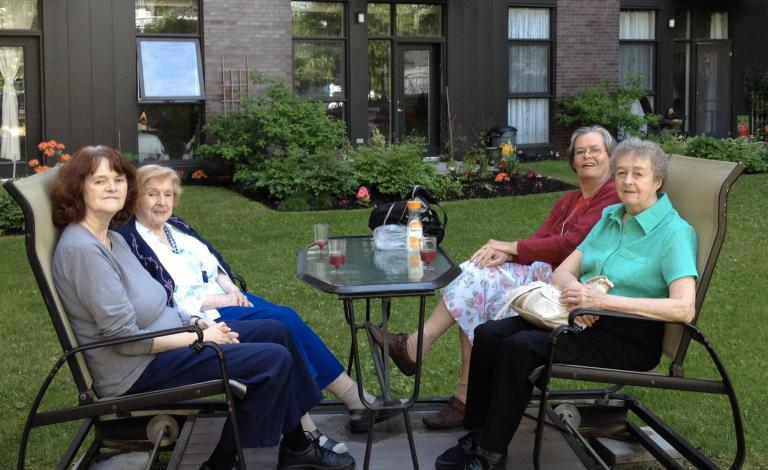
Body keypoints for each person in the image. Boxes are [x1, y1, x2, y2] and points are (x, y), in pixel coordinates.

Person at [50, 146, 355, 470]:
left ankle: (296, 445)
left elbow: (162, 300)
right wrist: (200, 336)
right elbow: (125, 339)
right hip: (136, 368)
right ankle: (225, 461)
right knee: (271, 361)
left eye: (118, 178)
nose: (112, 187)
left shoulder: (114, 239)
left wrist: (196, 320)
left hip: (167, 340)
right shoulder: (83, 251)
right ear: (78, 188)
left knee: (276, 331)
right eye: (99, 181)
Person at [435, 138, 698, 469]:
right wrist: (578, 291)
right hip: (581, 316)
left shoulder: (674, 233)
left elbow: (684, 308)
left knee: (520, 347)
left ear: (657, 181)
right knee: (489, 334)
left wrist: (603, 302)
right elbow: (562, 272)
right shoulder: (611, 215)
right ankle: (477, 433)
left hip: (630, 336)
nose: (627, 181)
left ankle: (490, 453)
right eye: (620, 173)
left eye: (638, 174)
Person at [114, 164, 397, 442]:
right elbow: (170, 296)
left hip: (226, 297)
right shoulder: (135, 239)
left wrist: (230, 287)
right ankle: (321, 418)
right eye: (152, 194)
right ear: (137, 196)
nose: (162, 201)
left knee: (286, 319)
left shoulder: (175, 226)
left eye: (167, 194)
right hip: (202, 313)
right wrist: (223, 298)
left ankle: (342, 406)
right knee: (282, 323)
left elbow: (211, 261)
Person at [369, 125, 620, 429]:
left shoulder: (610, 200)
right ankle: (459, 393)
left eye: (595, 150)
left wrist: (510, 247)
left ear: (610, 157)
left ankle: (419, 349)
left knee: (476, 281)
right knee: (476, 284)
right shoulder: (568, 200)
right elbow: (542, 240)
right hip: (547, 273)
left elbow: (570, 245)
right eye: (580, 151)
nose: (587, 156)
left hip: (570, 285)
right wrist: (511, 255)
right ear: (572, 160)